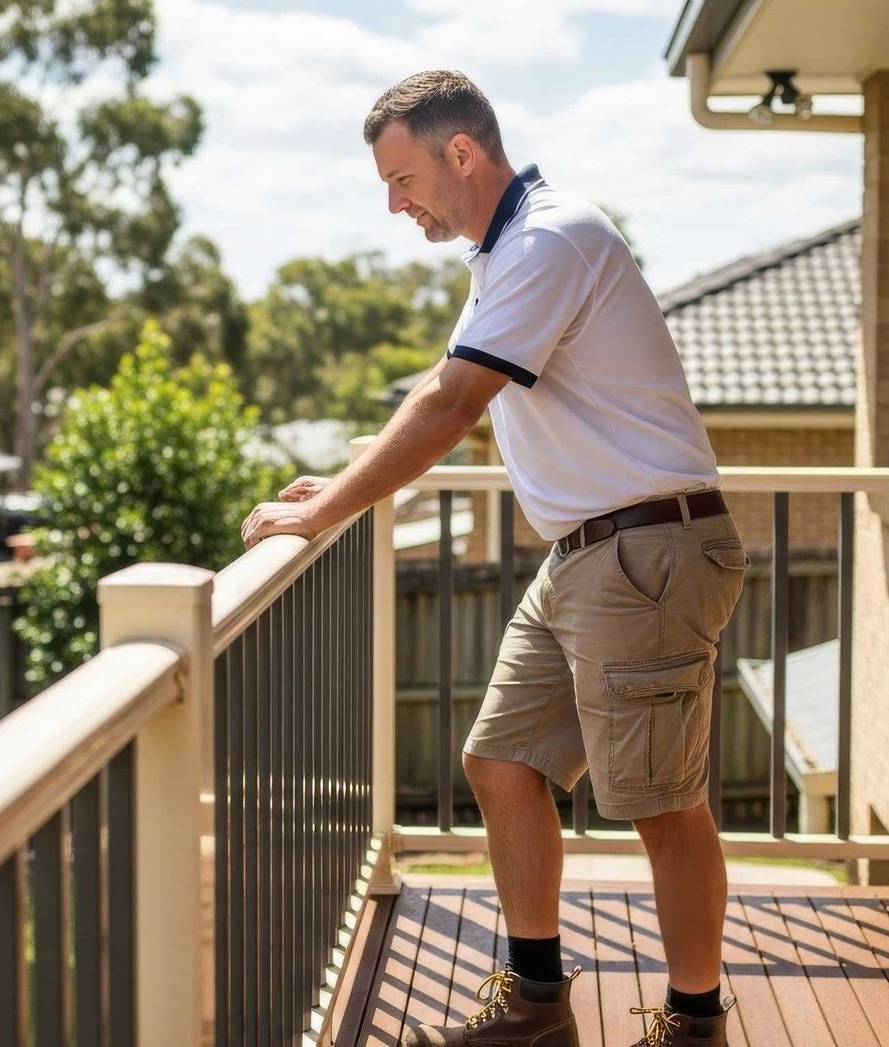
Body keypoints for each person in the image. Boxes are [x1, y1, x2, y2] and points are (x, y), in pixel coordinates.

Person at [239, 69, 745, 1047]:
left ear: (460, 151)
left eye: (401, 177)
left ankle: (695, 1023)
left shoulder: (551, 238)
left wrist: (327, 512)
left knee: (662, 806)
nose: (394, 203)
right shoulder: (512, 249)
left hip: (644, 550)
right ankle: (538, 1003)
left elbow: (451, 405)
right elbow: (443, 387)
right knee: (501, 760)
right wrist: (332, 490)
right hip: (590, 554)